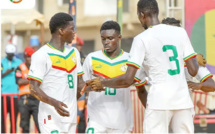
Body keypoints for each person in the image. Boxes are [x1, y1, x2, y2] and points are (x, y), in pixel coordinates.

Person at [87, 0, 199, 133]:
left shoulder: (142, 39)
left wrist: (103, 82)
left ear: (142, 15)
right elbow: (193, 70)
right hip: (183, 102)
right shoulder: (180, 32)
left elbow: (128, 79)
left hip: (159, 102)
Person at [83, 20, 147, 133]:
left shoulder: (130, 60)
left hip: (122, 122)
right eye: (103, 39)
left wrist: (151, 110)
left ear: (119, 37)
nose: (106, 42)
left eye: (110, 38)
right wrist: (92, 86)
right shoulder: (91, 58)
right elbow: (82, 87)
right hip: (96, 120)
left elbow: (141, 90)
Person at [27, 12, 85, 133]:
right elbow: (33, 88)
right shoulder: (41, 54)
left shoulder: (74, 53)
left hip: (70, 115)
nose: (74, 32)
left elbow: (80, 84)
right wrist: (54, 102)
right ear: (61, 31)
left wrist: (90, 86)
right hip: (50, 117)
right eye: (72, 29)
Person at [15, 46, 40, 133]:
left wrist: (27, 79)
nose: (29, 59)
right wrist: (32, 79)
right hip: (24, 100)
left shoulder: (37, 67)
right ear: (25, 57)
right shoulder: (20, 67)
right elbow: (19, 81)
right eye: (28, 57)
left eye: (31, 56)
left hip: (36, 99)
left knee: (40, 124)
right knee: (25, 126)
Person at [1, 44, 22, 133]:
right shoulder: (1, 62)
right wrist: (8, 72)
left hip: (15, 94)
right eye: (9, 54)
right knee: (2, 119)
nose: (10, 56)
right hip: (3, 95)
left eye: (12, 54)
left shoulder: (19, 62)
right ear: (6, 53)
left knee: (14, 119)